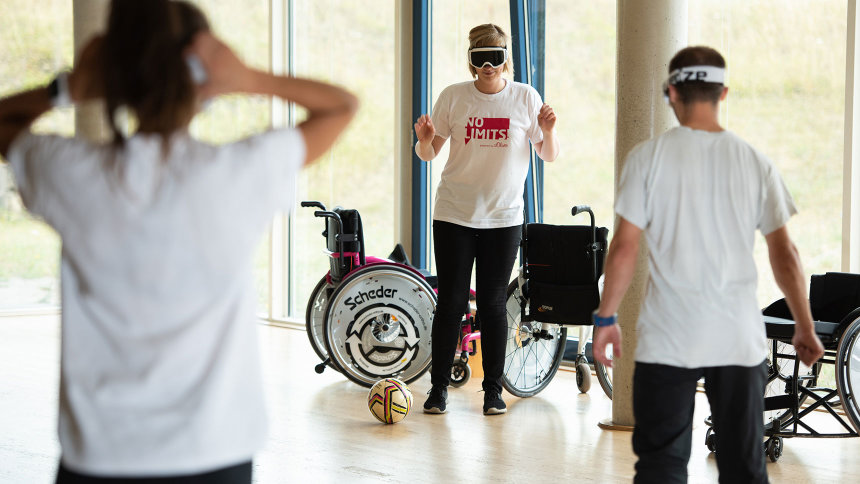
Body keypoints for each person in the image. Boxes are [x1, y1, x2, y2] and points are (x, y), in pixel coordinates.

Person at [0, 1, 357, 482]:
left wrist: (69, 87)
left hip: (99, 456)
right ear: (203, 79)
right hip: (216, 452)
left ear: (115, 75)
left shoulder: (72, 173)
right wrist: (247, 77)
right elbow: (340, 105)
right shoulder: (238, 173)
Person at [591, 46, 825, 483]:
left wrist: (606, 318)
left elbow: (623, 248)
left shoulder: (647, 158)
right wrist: (805, 326)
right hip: (737, 339)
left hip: (668, 338)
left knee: (661, 466)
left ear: (671, 93)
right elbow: (785, 255)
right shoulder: (754, 161)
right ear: (723, 92)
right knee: (743, 467)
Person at [414, 23, 559, 416]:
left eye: (495, 58)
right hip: (454, 214)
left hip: (503, 218)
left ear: (505, 59)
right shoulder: (454, 98)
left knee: (494, 305)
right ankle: (438, 390)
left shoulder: (525, 98)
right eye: (481, 59)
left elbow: (547, 154)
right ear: (472, 61)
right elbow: (429, 155)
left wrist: (546, 130)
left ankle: (492, 392)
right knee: (452, 303)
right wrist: (425, 139)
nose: (489, 66)